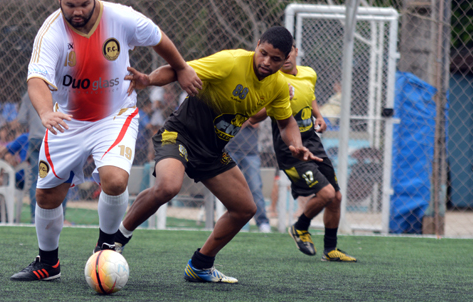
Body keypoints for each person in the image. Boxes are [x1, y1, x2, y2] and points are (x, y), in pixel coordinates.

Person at [9, 0, 200, 281]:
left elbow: (158, 39)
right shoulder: (51, 32)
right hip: (67, 120)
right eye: (70, 5)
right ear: (59, 0)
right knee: (47, 196)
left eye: (84, 3)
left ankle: (106, 248)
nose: (78, 11)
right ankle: (48, 264)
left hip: (115, 117)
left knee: (113, 179)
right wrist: (45, 112)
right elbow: (36, 80)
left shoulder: (122, 18)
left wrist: (181, 67)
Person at [113, 26, 321, 284]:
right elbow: (181, 69)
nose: (267, 62)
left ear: (287, 58)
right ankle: (116, 240)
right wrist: (148, 80)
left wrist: (296, 144)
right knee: (168, 186)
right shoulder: (230, 61)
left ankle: (200, 265)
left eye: (276, 59)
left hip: (212, 151)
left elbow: (286, 122)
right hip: (181, 135)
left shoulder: (278, 86)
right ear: (257, 45)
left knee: (245, 208)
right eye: (263, 53)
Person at [249, 45, 356, 262]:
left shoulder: (309, 73)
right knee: (326, 194)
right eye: (281, 55)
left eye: (289, 53)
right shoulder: (273, 80)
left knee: (336, 197)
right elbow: (253, 117)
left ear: (296, 51)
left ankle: (330, 249)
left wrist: (319, 116)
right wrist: (275, 101)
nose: (286, 58)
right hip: (290, 148)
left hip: (312, 141)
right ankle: (299, 228)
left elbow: (310, 95)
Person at [225, 121, 271, 233]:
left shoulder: (253, 104)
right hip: (230, 149)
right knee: (230, 189)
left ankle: (263, 222)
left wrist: (240, 120)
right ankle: (233, 222)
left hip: (251, 152)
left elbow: (255, 122)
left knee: (255, 188)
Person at [16, 91, 47, 222]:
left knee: (36, 179)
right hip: (54, 137)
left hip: (35, 138)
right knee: (61, 178)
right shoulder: (60, 88)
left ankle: (35, 217)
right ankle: (58, 218)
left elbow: (21, 119)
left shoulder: (29, 94)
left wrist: (34, 120)